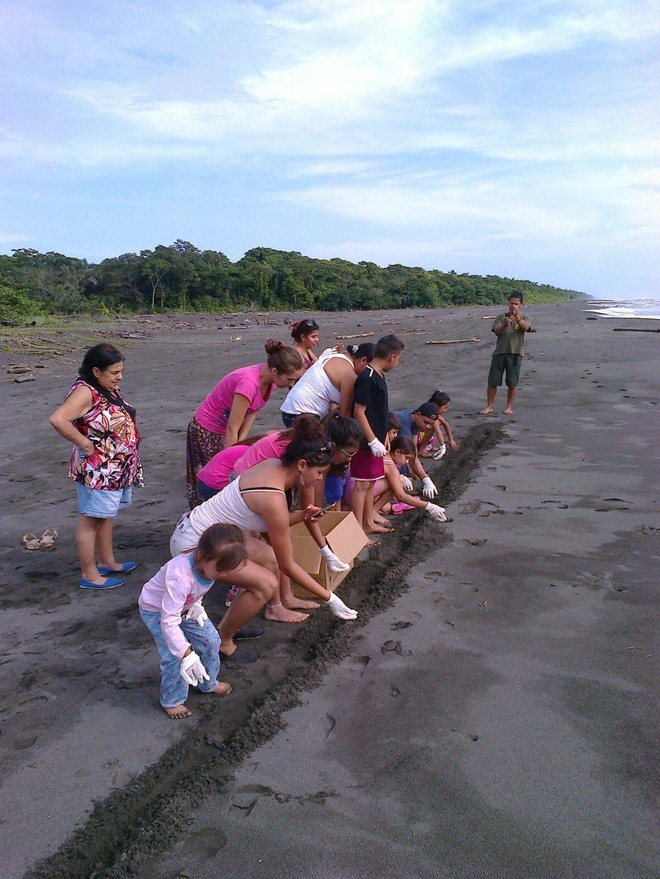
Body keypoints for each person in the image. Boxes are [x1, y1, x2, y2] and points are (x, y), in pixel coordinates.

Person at [170, 419, 358, 662]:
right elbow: (287, 564)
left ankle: (230, 625)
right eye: (319, 472)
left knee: (269, 559)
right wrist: (330, 598)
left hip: (207, 532)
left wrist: (302, 515)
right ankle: (223, 642)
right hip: (194, 546)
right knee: (266, 584)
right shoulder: (273, 498)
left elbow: (272, 524)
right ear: (302, 465)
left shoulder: (273, 465)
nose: (319, 478)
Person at [49, 343, 143, 590]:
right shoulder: (85, 391)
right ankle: (90, 575)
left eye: (120, 371)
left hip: (114, 469)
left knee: (105, 516)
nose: (119, 377)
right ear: (96, 371)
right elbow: (58, 419)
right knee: (91, 519)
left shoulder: (104, 387)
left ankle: (107, 562)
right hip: (98, 470)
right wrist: (85, 444)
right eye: (114, 372)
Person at [186, 340, 305, 508]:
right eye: (290, 379)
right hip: (206, 429)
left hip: (224, 428)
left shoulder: (269, 383)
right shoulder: (249, 383)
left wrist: (240, 448)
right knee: (215, 478)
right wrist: (233, 464)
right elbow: (232, 428)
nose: (291, 385)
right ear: (275, 371)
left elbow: (251, 412)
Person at [138, 524, 240, 719]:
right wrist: (187, 654)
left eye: (229, 570)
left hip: (184, 606)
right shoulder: (180, 576)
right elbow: (169, 621)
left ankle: (207, 682)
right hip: (156, 610)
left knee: (211, 641)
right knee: (174, 655)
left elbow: (197, 589)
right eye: (220, 569)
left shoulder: (208, 568)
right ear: (202, 555)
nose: (223, 575)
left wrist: (196, 604)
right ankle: (172, 700)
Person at [350, 334, 405, 535]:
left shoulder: (379, 375)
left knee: (371, 481)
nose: (397, 363)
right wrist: (372, 440)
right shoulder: (368, 377)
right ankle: (358, 529)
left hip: (377, 440)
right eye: (398, 358)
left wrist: (383, 437)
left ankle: (367, 522)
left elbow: (379, 412)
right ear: (392, 356)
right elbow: (359, 411)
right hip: (365, 441)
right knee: (361, 484)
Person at [279, 341, 375, 427]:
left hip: (289, 409)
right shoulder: (349, 375)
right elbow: (345, 415)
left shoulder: (337, 357)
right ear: (363, 360)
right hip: (302, 415)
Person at [373, 437, 448, 522]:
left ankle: (370, 511)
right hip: (367, 491)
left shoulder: (382, 454)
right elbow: (401, 496)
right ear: (397, 452)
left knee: (385, 509)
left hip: (365, 489)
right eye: (406, 458)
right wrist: (428, 506)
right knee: (399, 481)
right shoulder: (390, 467)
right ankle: (372, 512)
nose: (406, 462)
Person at [481, 293, 530, 415]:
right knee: (493, 381)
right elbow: (496, 332)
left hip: (515, 353)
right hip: (500, 352)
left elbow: (526, 328)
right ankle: (489, 406)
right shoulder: (501, 317)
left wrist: (517, 317)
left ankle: (508, 407)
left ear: (521, 304)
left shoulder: (524, 316)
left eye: (516, 304)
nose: (513, 306)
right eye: (511, 303)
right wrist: (504, 325)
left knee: (512, 382)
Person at [394, 402, 441, 500]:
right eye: (426, 422)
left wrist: (424, 478)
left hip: (395, 453)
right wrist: (425, 479)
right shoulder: (404, 429)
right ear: (418, 414)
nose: (428, 427)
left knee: (412, 475)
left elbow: (413, 451)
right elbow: (410, 455)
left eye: (430, 424)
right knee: (404, 482)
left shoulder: (414, 418)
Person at [420, 391, 456, 459]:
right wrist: (442, 446)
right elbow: (438, 431)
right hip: (418, 435)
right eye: (445, 407)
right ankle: (422, 449)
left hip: (422, 433)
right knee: (432, 427)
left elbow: (445, 423)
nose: (446, 410)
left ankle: (427, 445)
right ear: (437, 406)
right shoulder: (432, 415)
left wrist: (451, 439)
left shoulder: (437, 414)